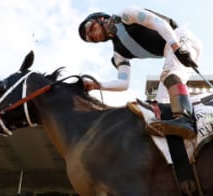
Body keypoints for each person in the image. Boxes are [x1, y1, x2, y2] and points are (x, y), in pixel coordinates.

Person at [78, 7, 202, 139]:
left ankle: (186, 120)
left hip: (179, 38)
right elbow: (123, 83)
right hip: (169, 50)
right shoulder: (118, 54)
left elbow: (158, 22)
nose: (91, 35)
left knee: (169, 75)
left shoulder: (125, 15)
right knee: (162, 102)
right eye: (89, 38)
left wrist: (176, 48)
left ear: (100, 18)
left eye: (90, 28)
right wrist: (96, 85)